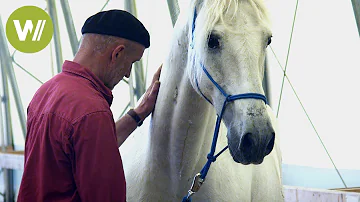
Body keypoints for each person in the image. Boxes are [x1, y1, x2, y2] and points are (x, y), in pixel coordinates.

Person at [17, 9, 161, 202]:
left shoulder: (46, 91)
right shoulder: (92, 110)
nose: (127, 73)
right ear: (117, 53)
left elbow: (87, 148)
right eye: (132, 62)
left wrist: (139, 112)